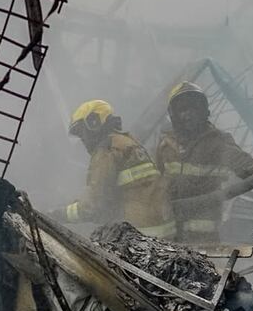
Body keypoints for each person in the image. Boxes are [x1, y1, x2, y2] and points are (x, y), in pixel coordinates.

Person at [156, 81, 253, 244]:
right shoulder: (166, 145)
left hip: (203, 240)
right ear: (173, 115)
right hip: (169, 238)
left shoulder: (217, 143)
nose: (188, 114)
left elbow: (247, 166)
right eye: (182, 109)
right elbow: (157, 187)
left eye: (194, 108)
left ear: (204, 111)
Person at [50, 100, 175, 239]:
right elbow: (115, 196)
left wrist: (58, 214)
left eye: (82, 132)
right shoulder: (127, 142)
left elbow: (93, 206)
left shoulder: (107, 150)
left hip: (142, 235)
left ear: (94, 123)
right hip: (164, 231)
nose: (83, 140)